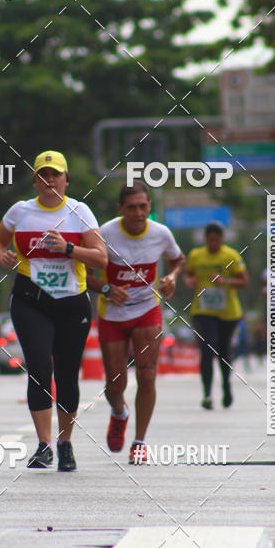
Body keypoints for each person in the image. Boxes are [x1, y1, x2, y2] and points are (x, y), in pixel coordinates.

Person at [0, 151, 107, 472]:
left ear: (67, 179)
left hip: (71, 302)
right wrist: (2, 255)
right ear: (35, 181)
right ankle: (43, 445)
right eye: (43, 174)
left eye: (55, 174)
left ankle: (65, 444)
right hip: (31, 300)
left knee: (67, 374)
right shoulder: (21, 211)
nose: (49, 180)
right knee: (40, 368)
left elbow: (101, 258)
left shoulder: (79, 212)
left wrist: (69, 248)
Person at [87, 181, 185, 464]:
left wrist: (172, 278)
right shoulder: (104, 234)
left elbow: (178, 259)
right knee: (115, 383)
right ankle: (119, 412)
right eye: (132, 208)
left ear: (150, 207)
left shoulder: (160, 233)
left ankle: (139, 442)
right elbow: (85, 273)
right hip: (112, 314)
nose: (139, 213)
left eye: (143, 206)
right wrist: (106, 289)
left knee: (147, 374)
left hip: (147, 309)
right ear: (121, 209)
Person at [184, 222, 248, 409]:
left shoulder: (231, 256)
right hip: (202, 311)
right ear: (205, 239)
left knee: (223, 352)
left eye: (216, 240)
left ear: (222, 239)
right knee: (207, 348)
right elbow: (188, 275)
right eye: (210, 240)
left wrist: (225, 280)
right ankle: (207, 394)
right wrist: (190, 280)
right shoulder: (196, 255)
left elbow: (244, 281)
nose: (213, 243)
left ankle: (226, 386)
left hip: (228, 312)